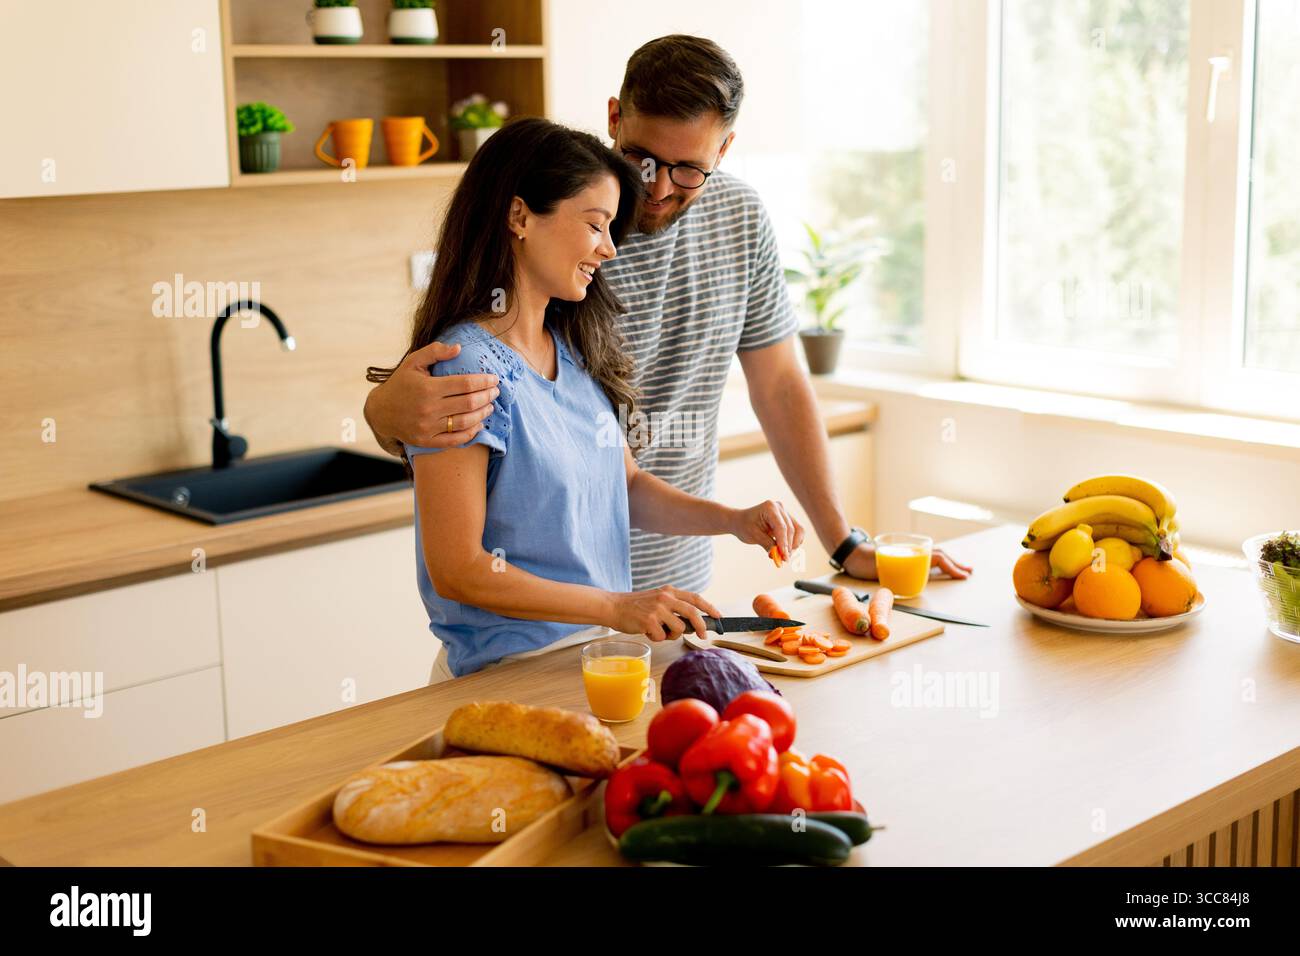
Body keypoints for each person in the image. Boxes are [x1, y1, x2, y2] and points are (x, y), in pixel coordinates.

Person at [364, 35, 972, 601]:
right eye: (641, 158)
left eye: (688, 169)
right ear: (613, 119)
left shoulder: (737, 219)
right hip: (546, 600)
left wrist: (840, 540)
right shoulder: (563, 242)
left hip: (671, 581)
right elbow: (458, 392)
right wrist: (383, 415)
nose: (655, 189)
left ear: (724, 148)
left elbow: (780, 385)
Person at [366, 117, 804, 679]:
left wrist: (735, 520)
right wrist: (617, 606)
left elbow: (626, 486)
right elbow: (460, 570)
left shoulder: (572, 351)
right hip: (508, 676)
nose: (610, 250)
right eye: (596, 225)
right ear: (519, 216)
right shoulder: (463, 367)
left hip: (598, 661)